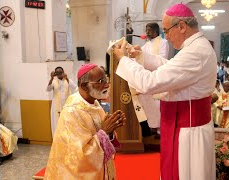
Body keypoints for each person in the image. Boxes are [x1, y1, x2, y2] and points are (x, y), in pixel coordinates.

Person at [112, 3, 216, 180]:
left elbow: (150, 83)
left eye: (167, 30)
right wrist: (142, 57)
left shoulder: (194, 52)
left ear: (182, 26)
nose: (166, 37)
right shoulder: (197, 47)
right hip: (187, 127)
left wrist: (123, 60)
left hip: (187, 133)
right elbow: (172, 68)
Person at [44, 64, 126, 179]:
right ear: (85, 86)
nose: (107, 85)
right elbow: (79, 157)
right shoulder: (72, 112)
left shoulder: (94, 104)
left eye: (106, 79)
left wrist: (111, 129)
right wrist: (105, 131)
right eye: (101, 81)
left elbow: (103, 133)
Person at [133, 22, 170, 138]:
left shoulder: (163, 43)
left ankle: (159, 130)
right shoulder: (147, 45)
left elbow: (162, 60)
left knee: (157, 104)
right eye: (146, 30)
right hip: (146, 78)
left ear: (156, 31)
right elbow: (139, 57)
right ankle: (150, 127)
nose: (147, 32)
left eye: (149, 30)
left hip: (157, 78)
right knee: (148, 104)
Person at [46, 66, 77, 138]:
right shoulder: (54, 81)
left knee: (67, 125)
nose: (59, 74)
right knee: (57, 125)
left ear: (63, 72)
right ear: (55, 73)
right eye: (57, 73)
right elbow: (48, 89)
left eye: (60, 72)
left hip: (66, 107)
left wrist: (67, 79)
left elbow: (75, 88)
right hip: (56, 108)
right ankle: (57, 142)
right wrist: (51, 78)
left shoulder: (68, 80)